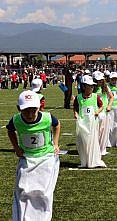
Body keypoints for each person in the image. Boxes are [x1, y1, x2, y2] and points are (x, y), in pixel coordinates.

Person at [7, 90, 60, 221]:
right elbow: (10, 130)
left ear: (39, 107)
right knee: (22, 189)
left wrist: (56, 143)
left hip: (46, 157)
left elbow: (57, 125)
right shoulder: (16, 120)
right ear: (19, 109)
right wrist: (16, 147)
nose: (30, 114)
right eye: (26, 111)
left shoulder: (47, 117)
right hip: (27, 158)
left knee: (44, 192)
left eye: (33, 110)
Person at [73, 75, 106, 168]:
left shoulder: (95, 96)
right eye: (89, 86)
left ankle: (93, 161)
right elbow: (76, 107)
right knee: (82, 142)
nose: (91, 88)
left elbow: (101, 106)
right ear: (83, 87)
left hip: (92, 123)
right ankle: (84, 161)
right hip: (82, 123)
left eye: (92, 86)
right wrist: (75, 113)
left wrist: (97, 112)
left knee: (92, 141)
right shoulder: (78, 97)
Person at [93, 71, 114, 155]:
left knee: (104, 131)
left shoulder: (105, 87)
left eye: (101, 80)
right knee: (95, 131)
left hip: (104, 112)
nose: (99, 82)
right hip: (95, 112)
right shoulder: (92, 88)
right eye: (98, 80)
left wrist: (109, 106)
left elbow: (111, 97)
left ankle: (102, 149)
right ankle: (95, 148)